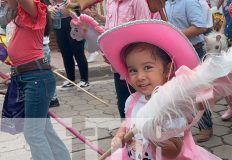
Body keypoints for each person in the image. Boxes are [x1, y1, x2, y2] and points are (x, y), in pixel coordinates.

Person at [99, 20, 221, 160]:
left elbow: (174, 151)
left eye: (148, 67)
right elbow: (128, 123)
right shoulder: (132, 101)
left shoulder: (172, 107)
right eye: (133, 70)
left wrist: (153, 135)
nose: (140, 77)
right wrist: (120, 134)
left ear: (167, 70)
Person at [4, 0, 70, 159]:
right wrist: (14, 74)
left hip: (36, 79)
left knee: (33, 134)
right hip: (29, 77)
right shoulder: (21, 18)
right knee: (45, 131)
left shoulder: (33, 11)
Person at [84, 0, 151, 119]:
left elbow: (145, 31)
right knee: (123, 105)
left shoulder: (138, 2)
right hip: (117, 66)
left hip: (135, 67)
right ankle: (126, 135)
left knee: (142, 106)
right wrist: (106, 51)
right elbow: (108, 29)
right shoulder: (110, 2)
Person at [165, 0, 214, 143]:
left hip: (194, 50)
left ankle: (206, 127)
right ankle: (181, 127)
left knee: (199, 91)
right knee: (179, 91)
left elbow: (200, 26)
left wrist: (174, 34)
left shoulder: (189, 1)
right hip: (174, 52)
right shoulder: (167, 4)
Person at [48, 0, 90, 89]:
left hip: (74, 21)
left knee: (78, 52)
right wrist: (51, 9)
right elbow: (48, 5)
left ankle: (84, 80)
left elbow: (82, 3)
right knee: (65, 53)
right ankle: (70, 79)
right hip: (58, 23)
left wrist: (72, 5)